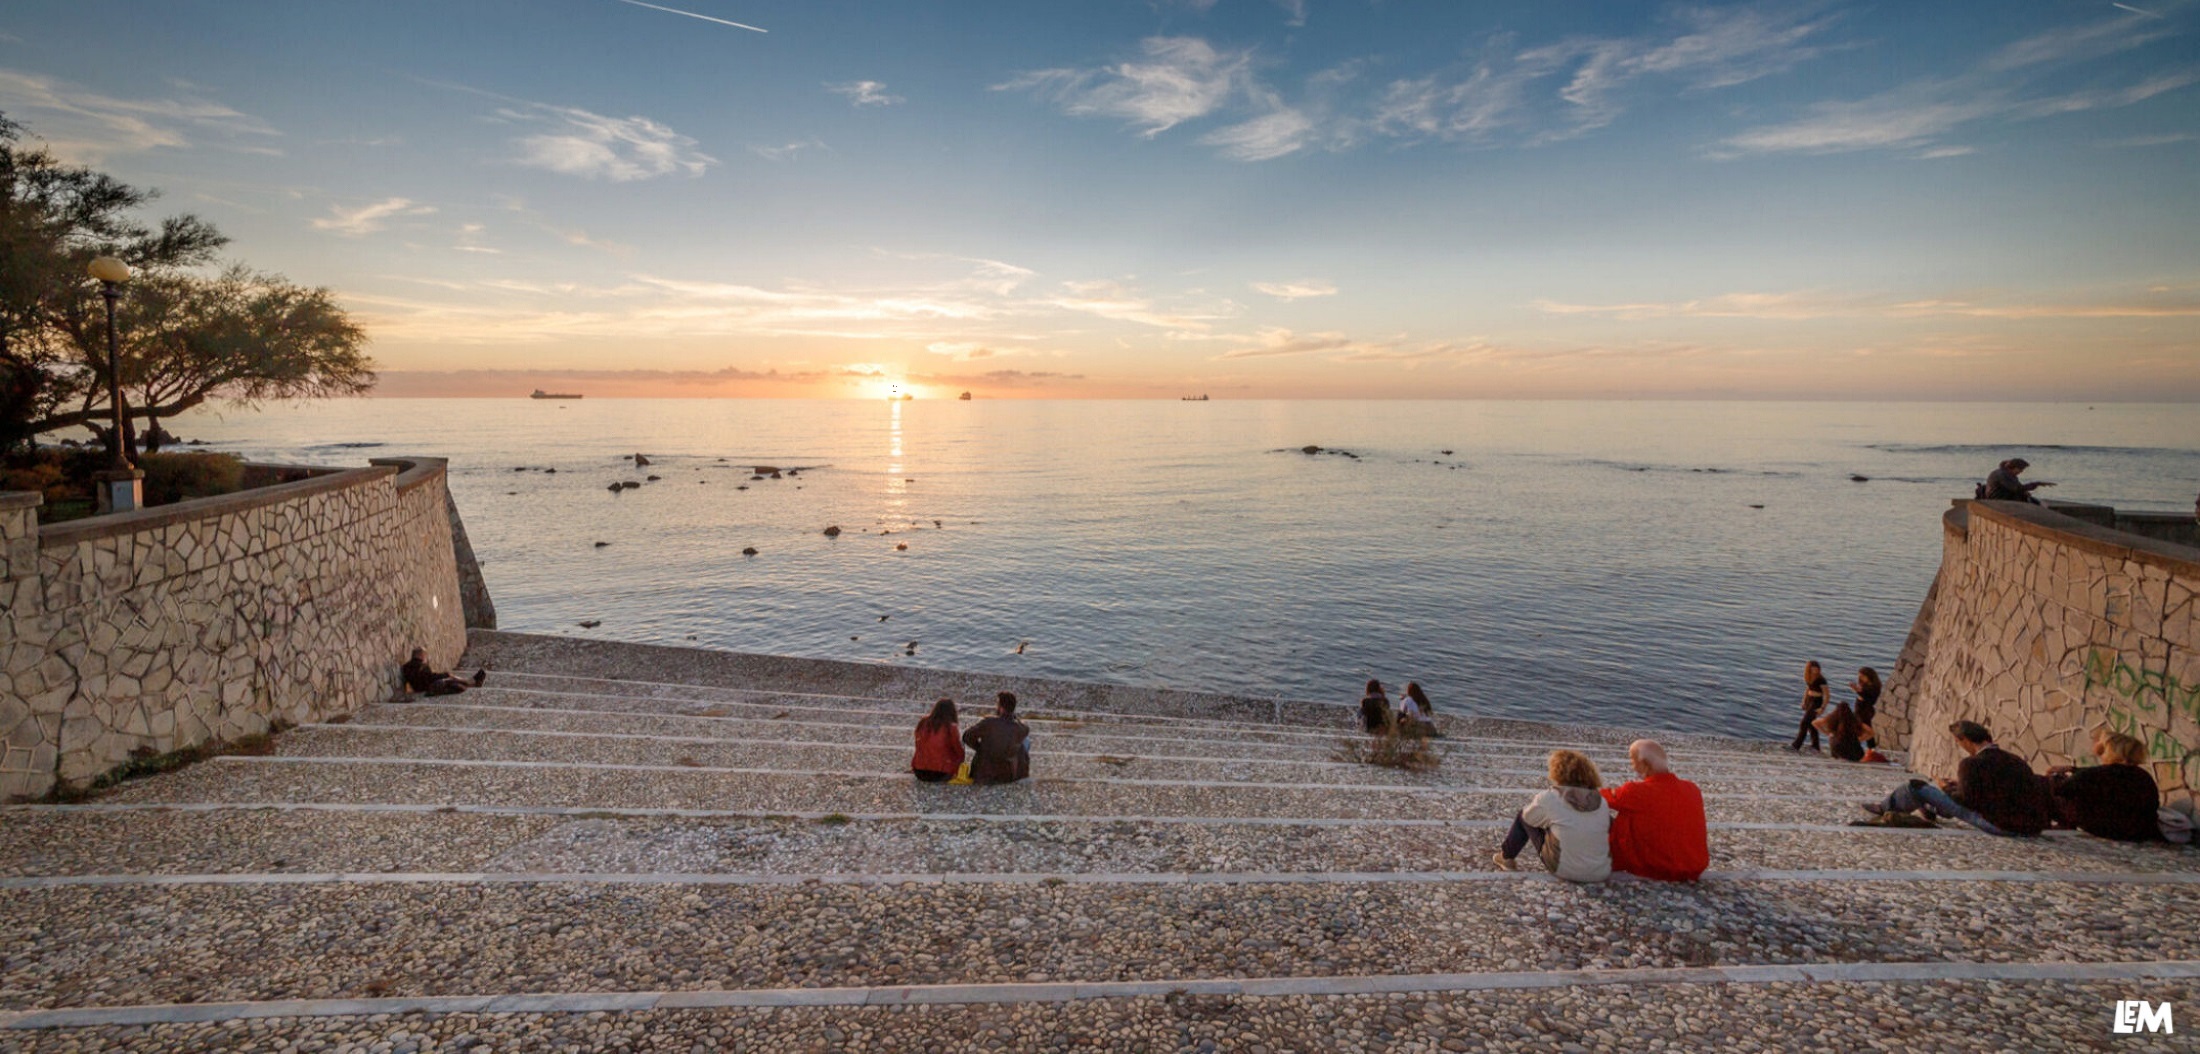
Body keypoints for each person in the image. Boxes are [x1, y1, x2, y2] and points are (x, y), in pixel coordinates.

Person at [1861, 720, 2052, 836]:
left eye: (1958, 742)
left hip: (2000, 825)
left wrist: (1945, 788)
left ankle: (1885, 808)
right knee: (1938, 793)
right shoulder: (2015, 760)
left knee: (1915, 786)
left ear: (1966, 740)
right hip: (2029, 826)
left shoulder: (1971, 764)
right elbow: (1999, 787)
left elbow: (1966, 801)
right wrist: (1961, 784)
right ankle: (1928, 808)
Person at [1493, 749, 1611, 882]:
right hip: (1601, 871)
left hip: (1565, 869)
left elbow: (1528, 818)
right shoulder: (1601, 801)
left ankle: (1507, 857)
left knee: (1524, 816)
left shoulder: (1551, 797)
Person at [1600, 740, 1708, 882]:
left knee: (1599, 811)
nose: (1632, 766)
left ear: (1644, 764)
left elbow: (1598, 797)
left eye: (1632, 761)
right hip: (1694, 867)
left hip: (1655, 868)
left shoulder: (1635, 791)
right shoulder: (1692, 789)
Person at [2048, 732, 2161, 842]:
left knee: (2054, 791)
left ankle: (2061, 824)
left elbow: (2062, 789)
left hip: (2109, 830)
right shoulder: (2144, 776)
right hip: (2141, 832)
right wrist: (2072, 769)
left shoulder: (2098, 774)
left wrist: (2054, 778)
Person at [962, 691, 1030, 784]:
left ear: (1000, 707)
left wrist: (980, 748)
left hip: (984, 772)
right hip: (1006, 774)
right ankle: (1020, 772)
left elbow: (967, 736)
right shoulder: (1021, 728)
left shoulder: (989, 722)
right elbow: (1024, 727)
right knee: (1025, 742)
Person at [911, 698, 964, 783]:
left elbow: (918, 742)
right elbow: (958, 750)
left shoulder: (923, 722)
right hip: (941, 773)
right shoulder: (951, 727)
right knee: (960, 745)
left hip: (919, 771)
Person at [399, 647, 482, 696]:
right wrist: (443, 675)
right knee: (449, 677)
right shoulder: (421, 666)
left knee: (451, 681)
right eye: (425, 655)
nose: (426, 657)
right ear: (421, 655)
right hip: (428, 686)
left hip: (424, 686)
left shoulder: (407, 667)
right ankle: (471, 682)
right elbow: (428, 677)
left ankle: (470, 682)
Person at [1787, 661, 1829, 752]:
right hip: (1810, 700)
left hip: (1817, 702)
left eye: (1817, 668)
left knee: (1804, 723)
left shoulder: (1821, 680)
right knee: (1811, 724)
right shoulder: (1810, 678)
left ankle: (1796, 745)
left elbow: (1827, 695)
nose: (1815, 670)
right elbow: (1808, 689)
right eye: (1813, 668)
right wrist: (1804, 701)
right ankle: (1816, 746)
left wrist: (1822, 708)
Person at [1814, 697, 1868, 763]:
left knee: (1835, 754)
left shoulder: (1832, 718)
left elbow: (1815, 723)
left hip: (1836, 746)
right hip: (1852, 747)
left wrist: (1827, 733)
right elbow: (1870, 732)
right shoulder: (1853, 720)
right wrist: (1860, 739)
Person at [1979, 458, 2053, 503]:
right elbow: (2016, 488)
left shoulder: (2010, 475)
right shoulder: (2002, 474)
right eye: (2020, 469)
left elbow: (2019, 487)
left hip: (2005, 496)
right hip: (1998, 498)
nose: (2021, 471)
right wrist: (2036, 484)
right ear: (2013, 467)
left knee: (2033, 500)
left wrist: (2025, 492)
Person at [1850, 667, 1881, 750]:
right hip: (1861, 710)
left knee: (1860, 729)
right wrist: (1858, 690)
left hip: (1865, 711)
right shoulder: (1866, 686)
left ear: (1868, 676)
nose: (1860, 678)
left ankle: (1857, 747)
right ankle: (1871, 749)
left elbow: (1869, 699)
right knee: (1863, 730)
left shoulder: (1873, 687)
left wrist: (1857, 690)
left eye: (1862, 676)